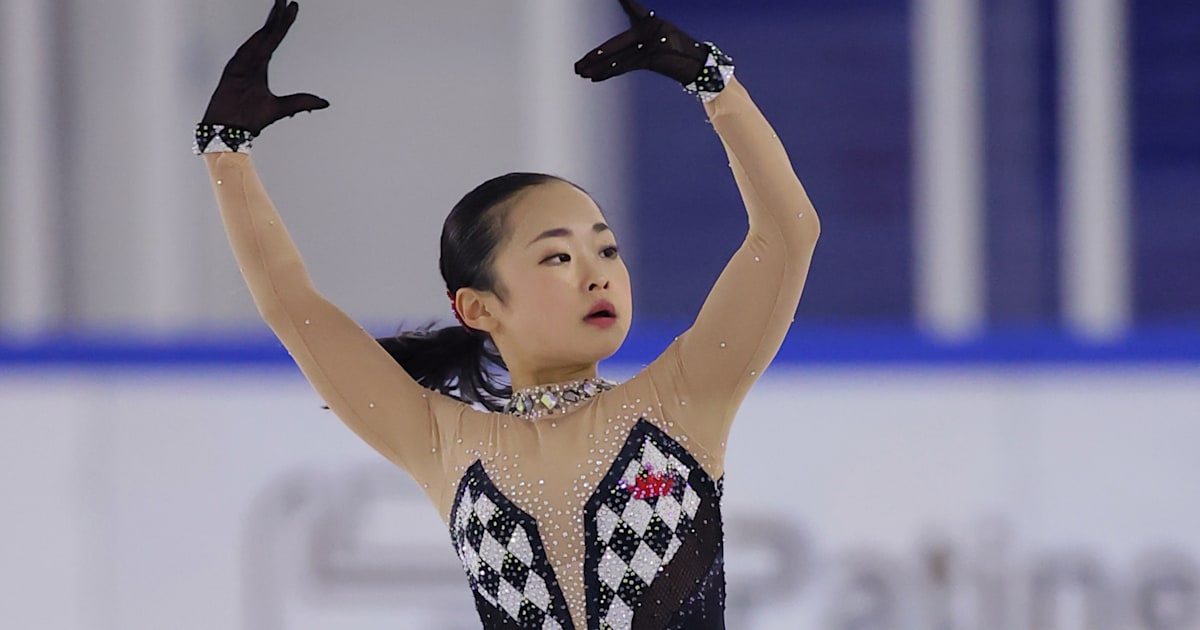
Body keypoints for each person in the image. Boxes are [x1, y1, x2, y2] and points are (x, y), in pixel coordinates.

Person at [195, 0, 820, 627]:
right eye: (557, 257)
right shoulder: (442, 443)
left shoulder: (683, 401)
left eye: (606, 248)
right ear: (477, 307)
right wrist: (227, 151)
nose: (597, 272)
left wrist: (715, 83)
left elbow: (788, 235)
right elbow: (292, 304)